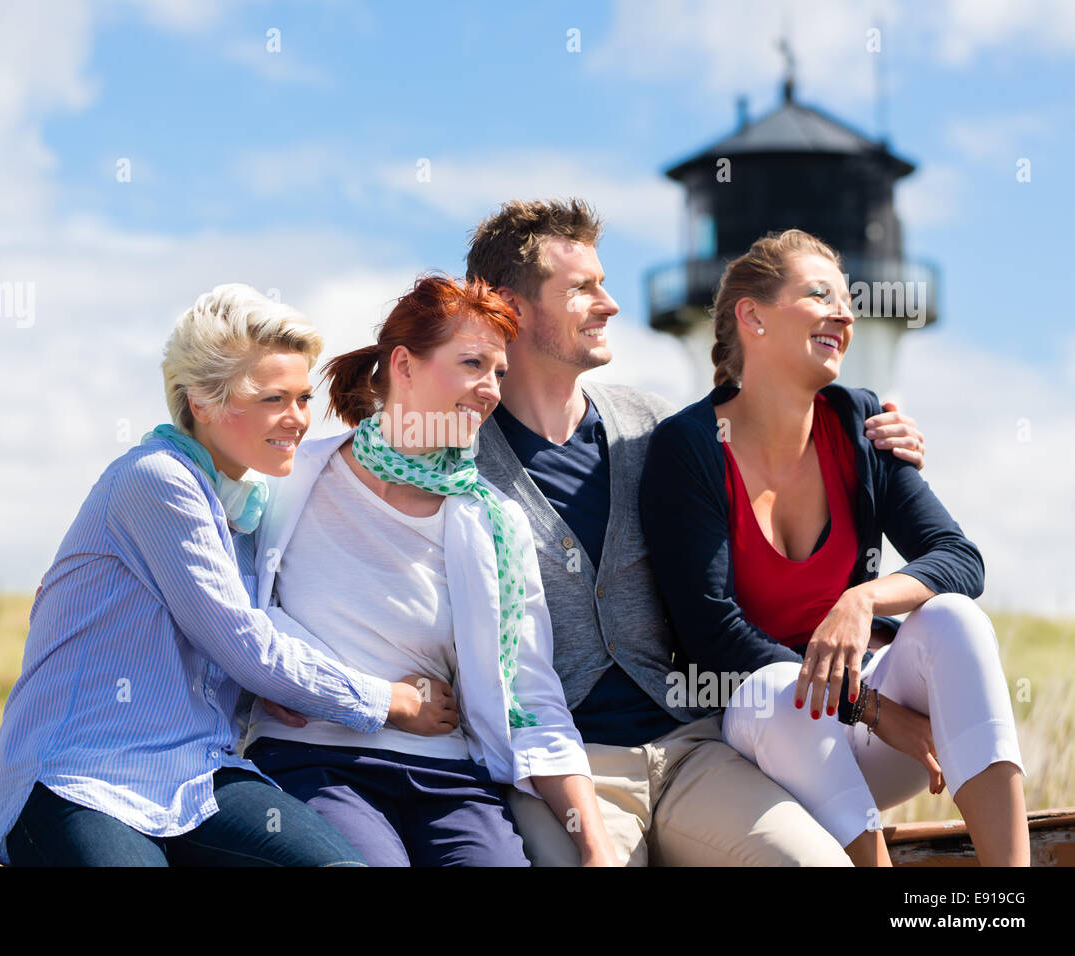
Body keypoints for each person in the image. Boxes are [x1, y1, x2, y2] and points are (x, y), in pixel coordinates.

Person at [464, 198, 930, 866]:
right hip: (562, 772)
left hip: (692, 748)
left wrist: (877, 434)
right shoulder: (456, 464)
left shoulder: (663, 429)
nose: (610, 303)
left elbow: (785, 447)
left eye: (605, 282)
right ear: (507, 306)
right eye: (582, 289)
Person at [0, 284, 454, 867]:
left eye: (304, 397)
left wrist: (278, 685)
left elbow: (272, 626)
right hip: (83, 778)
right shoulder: (157, 480)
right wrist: (388, 701)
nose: (297, 419)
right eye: (272, 399)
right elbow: (246, 644)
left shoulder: (251, 506)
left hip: (202, 776)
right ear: (201, 403)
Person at [639, 229, 1028, 866]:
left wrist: (862, 599)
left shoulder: (859, 422)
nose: (845, 313)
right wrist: (873, 710)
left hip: (870, 749)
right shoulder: (690, 448)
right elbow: (713, 637)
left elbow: (960, 559)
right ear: (753, 316)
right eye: (819, 295)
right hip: (766, 749)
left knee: (954, 618)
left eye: (847, 299)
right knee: (780, 689)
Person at [242, 274, 615, 867]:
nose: (490, 389)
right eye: (472, 363)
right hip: (313, 758)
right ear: (404, 365)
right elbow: (230, 615)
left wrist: (596, 848)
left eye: (498, 372)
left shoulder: (496, 522)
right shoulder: (286, 482)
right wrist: (284, 680)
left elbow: (532, 697)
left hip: (450, 776)